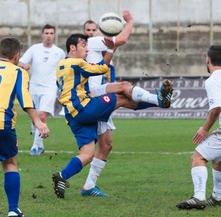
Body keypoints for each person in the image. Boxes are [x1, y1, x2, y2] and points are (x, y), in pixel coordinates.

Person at [51, 33, 173, 199]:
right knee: (122, 96)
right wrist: (110, 48)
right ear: (72, 48)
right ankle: (158, 100)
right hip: (85, 108)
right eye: (83, 46)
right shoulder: (77, 62)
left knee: (87, 154)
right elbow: (102, 68)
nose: (86, 49)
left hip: (72, 116)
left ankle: (62, 176)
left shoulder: (61, 64)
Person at [0, 37, 50, 217]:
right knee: (10, 164)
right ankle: (13, 211)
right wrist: (38, 122)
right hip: (2, 125)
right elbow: (25, 100)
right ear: (17, 56)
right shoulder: (19, 72)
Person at [81, 10, 137, 197]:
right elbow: (122, 40)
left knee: (106, 145)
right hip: (95, 97)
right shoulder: (91, 43)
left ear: (98, 29)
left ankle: (89, 186)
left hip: (99, 93)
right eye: (87, 30)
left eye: (93, 29)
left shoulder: (96, 47)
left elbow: (110, 54)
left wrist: (112, 48)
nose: (90, 32)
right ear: (84, 32)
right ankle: (158, 99)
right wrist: (129, 22)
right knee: (125, 91)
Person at [176, 45, 221, 210]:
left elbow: (216, 108)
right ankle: (217, 196)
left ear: (207, 60)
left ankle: (199, 197)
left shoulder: (214, 80)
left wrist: (205, 128)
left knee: (198, 157)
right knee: (218, 158)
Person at [18, 24, 65, 156]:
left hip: (50, 87)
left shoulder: (59, 52)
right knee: (35, 117)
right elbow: (20, 62)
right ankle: (40, 144)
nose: (49, 36)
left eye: (51, 33)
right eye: (46, 33)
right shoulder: (34, 49)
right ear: (42, 35)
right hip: (34, 87)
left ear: (54, 35)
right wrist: (24, 65)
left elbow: (63, 70)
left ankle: (35, 146)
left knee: (42, 115)